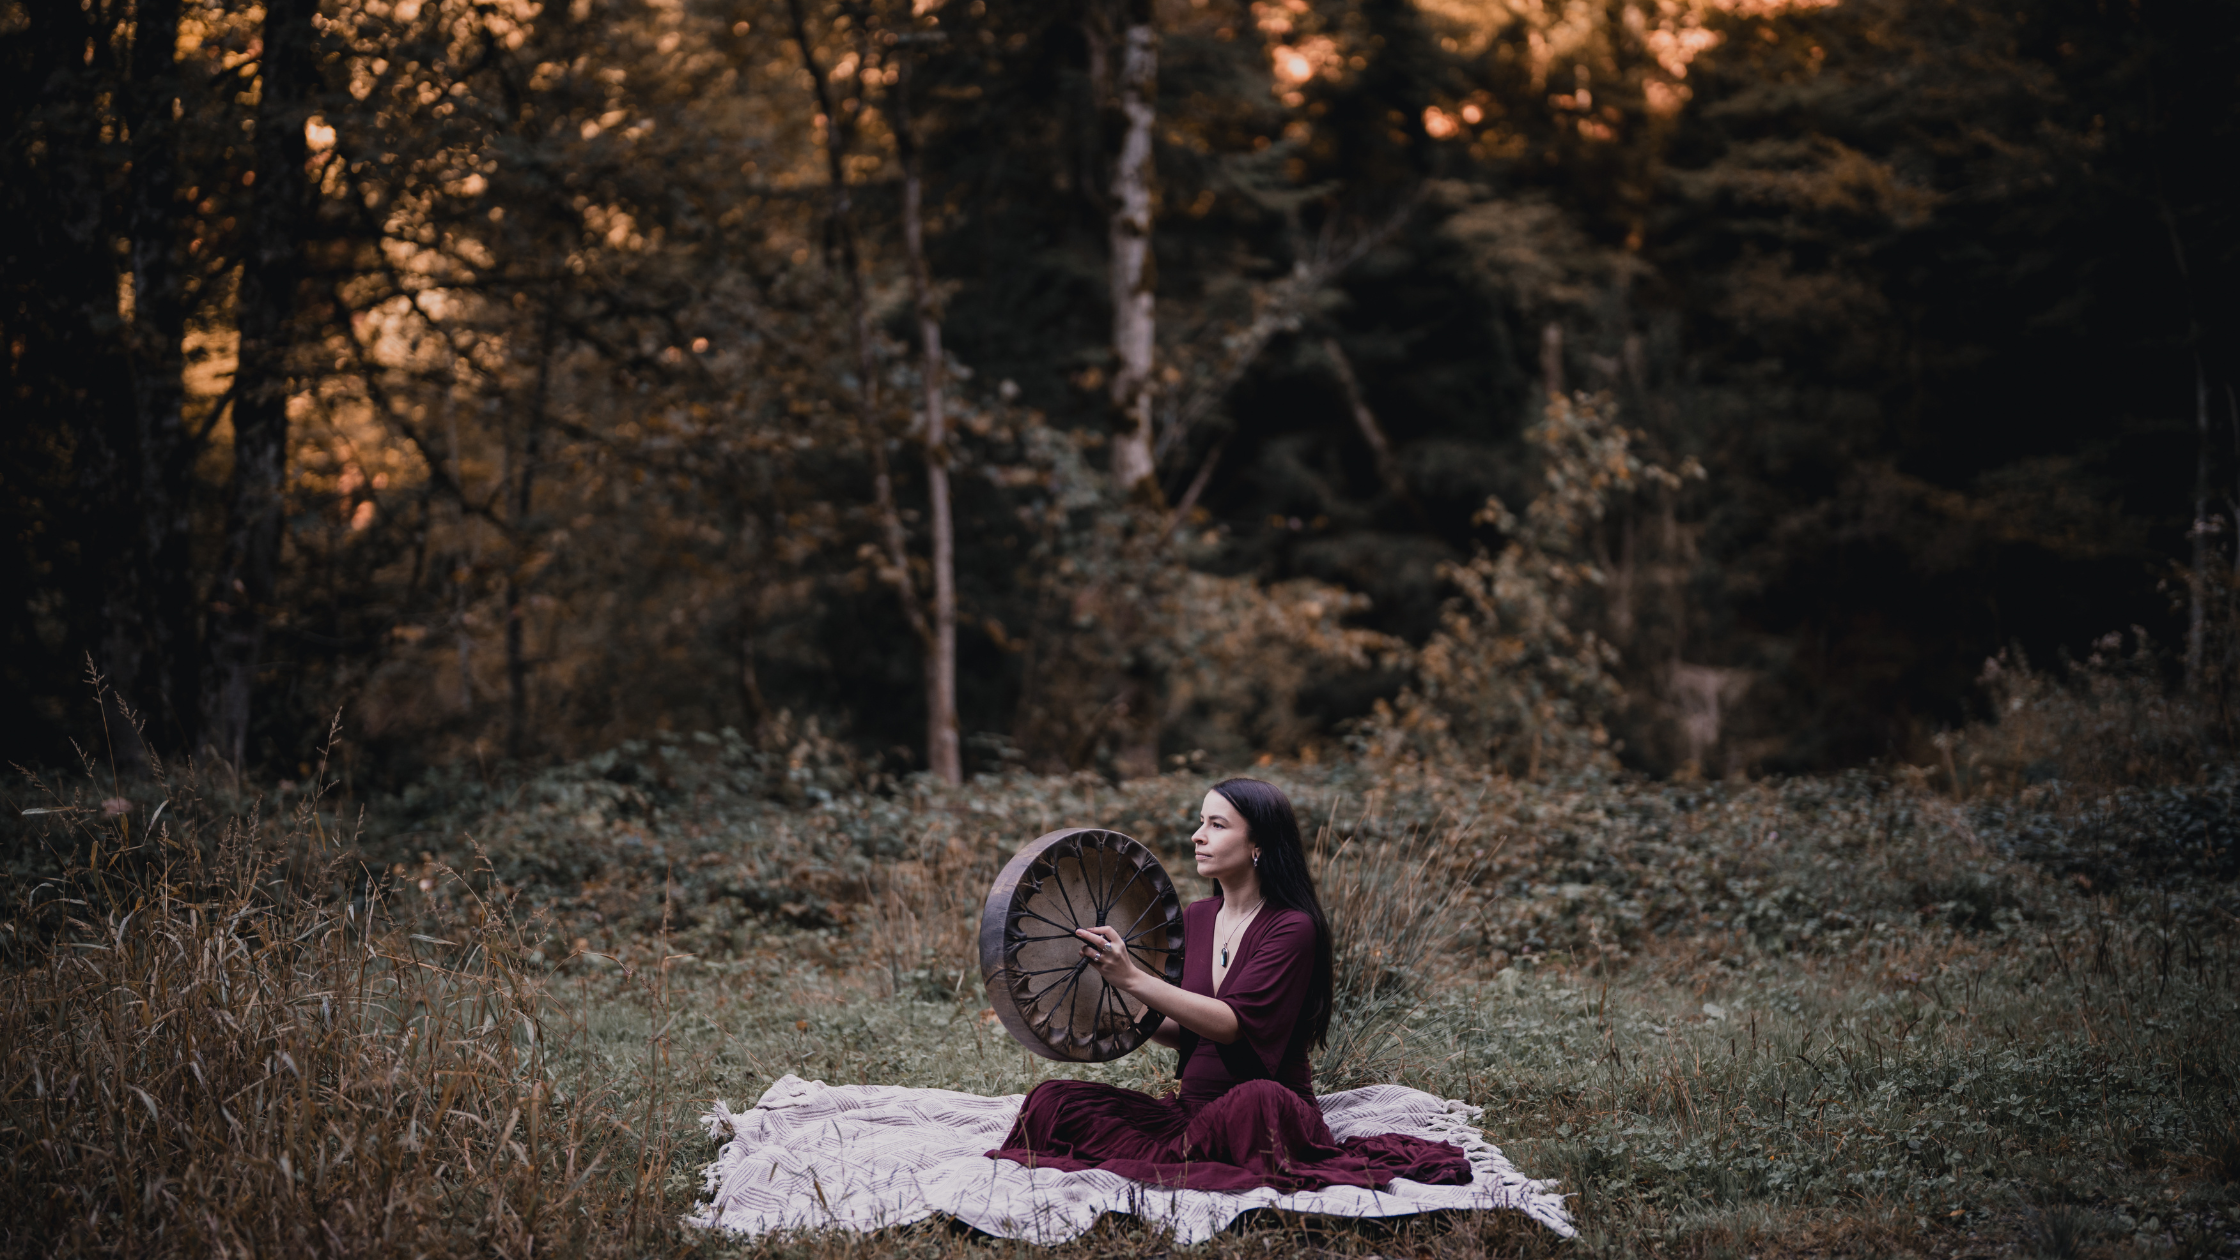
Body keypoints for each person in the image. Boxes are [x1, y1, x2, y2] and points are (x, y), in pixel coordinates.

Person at [985, 777, 1472, 1193]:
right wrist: (1125, 1010)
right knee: (1055, 1100)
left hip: (1264, 1110)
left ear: (1259, 844)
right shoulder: (1197, 917)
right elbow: (1191, 1032)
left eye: (1217, 825)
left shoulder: (1293, 927)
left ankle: (1195, 1152)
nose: (1198, 836)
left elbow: (1231, 1026)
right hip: (1191, 1112)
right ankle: (1190, 1148)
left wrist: (1132, 977)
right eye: (1201, 822)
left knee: (1258, 1100)